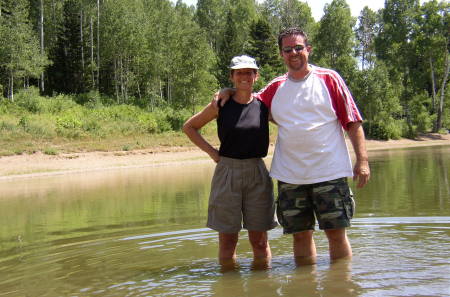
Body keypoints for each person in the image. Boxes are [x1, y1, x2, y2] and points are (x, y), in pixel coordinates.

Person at [217, 28, 370, 265]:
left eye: (298, 47)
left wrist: (363, 161)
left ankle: (341, 286)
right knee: (300, 237)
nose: (294, 53)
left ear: (308, 49)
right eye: (287, 49)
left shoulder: (329, 79)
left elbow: (352, 121)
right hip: (291, 178)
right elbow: (247, 100)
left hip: (330, 173)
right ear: (281, 54)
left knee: (336, 235)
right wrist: (227, 91)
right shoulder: (275, 88)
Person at [183, 55, 277, 270]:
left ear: (256, 76)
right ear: (232, 76)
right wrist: (213, 154)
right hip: (227, 173)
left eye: (249, 72)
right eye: (239, 72)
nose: (244, 76)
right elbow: (189, 127)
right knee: (227, 242)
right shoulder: (220, 104)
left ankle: (263, 288)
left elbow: (291, 123)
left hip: (257, 173)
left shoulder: (265, 106)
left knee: (260, 242)